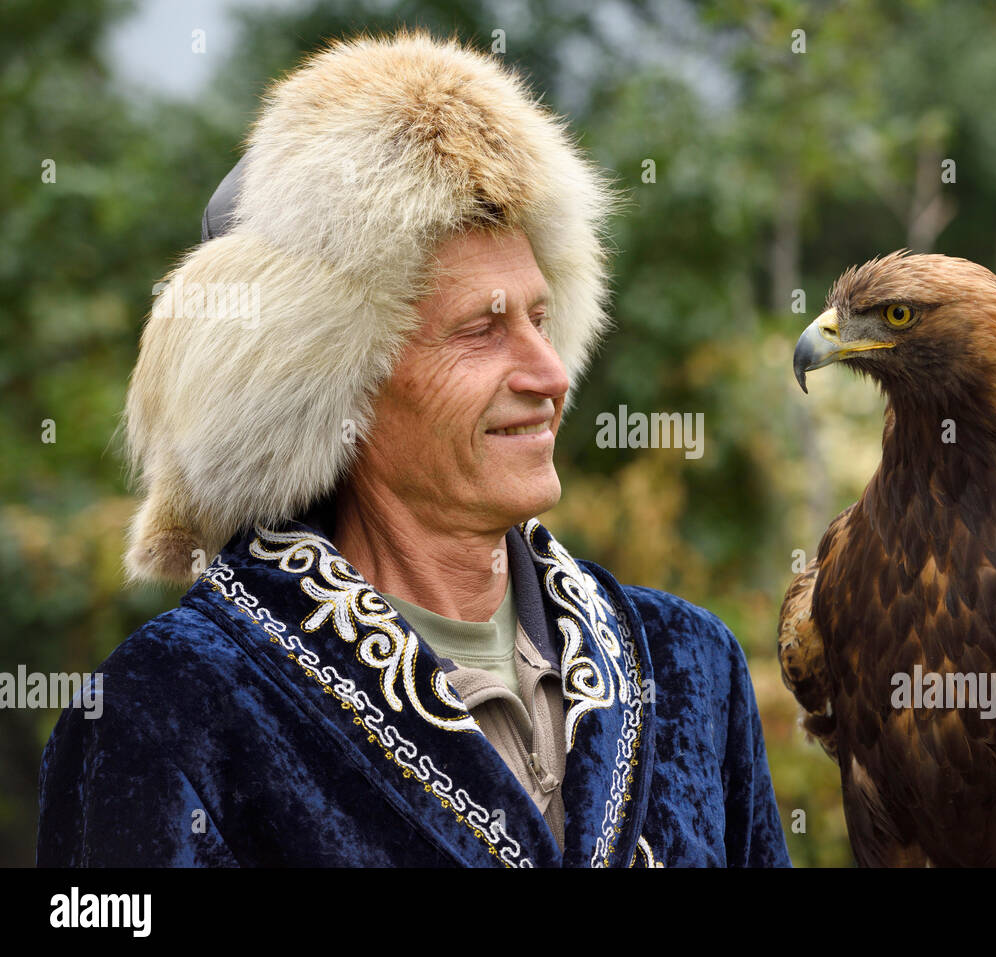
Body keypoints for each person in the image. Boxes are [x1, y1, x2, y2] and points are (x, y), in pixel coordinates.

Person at [36, 30, 789, 868]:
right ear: (335, 388)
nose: (549, 374)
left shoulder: (691, 665)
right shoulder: (173, 703)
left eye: (541, 319)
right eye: (481, 329)